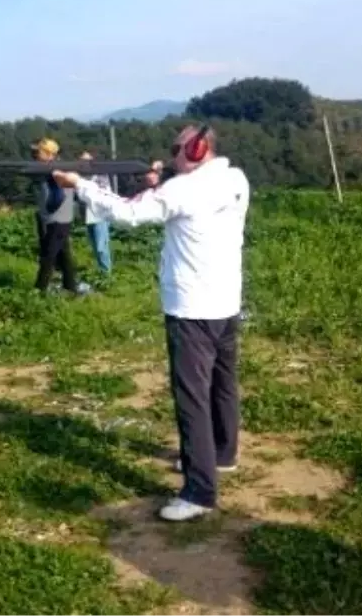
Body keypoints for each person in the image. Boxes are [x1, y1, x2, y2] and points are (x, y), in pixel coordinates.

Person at [51, 125, 250, 522]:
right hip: (225, 302)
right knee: (223, 385)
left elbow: (126, 213)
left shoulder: (183, 190)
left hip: (192, 307)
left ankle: (199, 491)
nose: (173, 153)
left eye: (177, 148)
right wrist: (162, 184)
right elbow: (181, 197)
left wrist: (79, 184)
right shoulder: (234, 177)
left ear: (195, 150)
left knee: (192, 399)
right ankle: (223, 454)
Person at [32, 137, 82, 294]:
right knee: (63, 255)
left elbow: (59, 195)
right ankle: (71, 286)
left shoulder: (54, 170)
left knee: (49, 255)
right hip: (61, 218)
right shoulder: (58, 167)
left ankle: (40, 289)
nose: (35, 155)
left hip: (57, 219)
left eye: (38, 152)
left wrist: (48, 210)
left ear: (49, 154)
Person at [78, 151, 115, 275]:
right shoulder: (80, 177)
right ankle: (102, 271)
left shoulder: (100, 175)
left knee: (101, 247)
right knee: (95, 246)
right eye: (82, 161)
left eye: (86, 161)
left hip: (100, 215)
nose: (84, 164)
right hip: (87, 215)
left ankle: (106, 274)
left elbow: (106, 193)